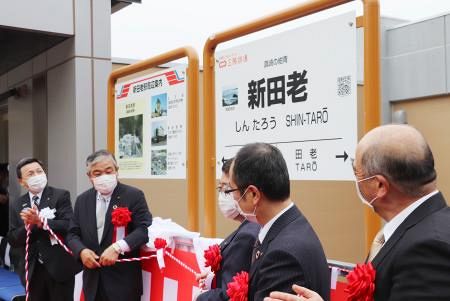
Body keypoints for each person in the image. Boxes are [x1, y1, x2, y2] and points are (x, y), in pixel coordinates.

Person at [265, 124, 450, 301]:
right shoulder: (418, 228)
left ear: (379, 185)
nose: (356, 180)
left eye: (356, 172)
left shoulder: (427, 248)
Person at [228, 143, 330, 301]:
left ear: (253, 194)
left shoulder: (283, 255)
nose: (232, 199)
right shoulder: (288, 226)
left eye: (231, 191)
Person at [67, 149, 152, 301]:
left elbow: (143, 231)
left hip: (123, 283)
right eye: (97, 174)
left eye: (108, 171)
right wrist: (81, 251)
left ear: (116, 171)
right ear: (89, 177)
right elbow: (72, 234)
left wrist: (118, 247)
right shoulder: (82, 200)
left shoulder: (134, 195)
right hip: (93, 282)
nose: (104, 177)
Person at [7, 157, 80, 300]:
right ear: (22, 181)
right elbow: (13, 238)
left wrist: (41, 222)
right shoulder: (17, 204)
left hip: (59, 269)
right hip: (33, 271)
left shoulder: (60, 195)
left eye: (39, 171)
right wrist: (30, 225)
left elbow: (68, 224)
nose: (36, 176)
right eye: (30, 174)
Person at [196, 158, 260, 301]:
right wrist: (213, 279)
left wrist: (200, 298)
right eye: (220, 189)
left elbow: (230, 294)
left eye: (227, 188)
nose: (223, 195)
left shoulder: (248, 234)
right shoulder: (250, 225)